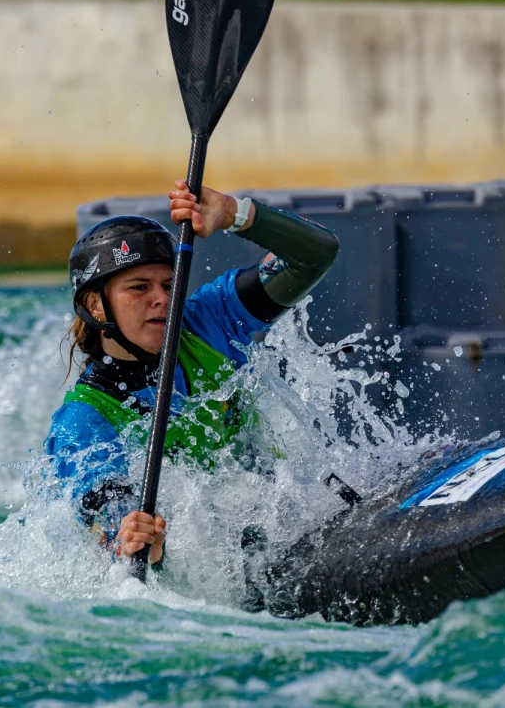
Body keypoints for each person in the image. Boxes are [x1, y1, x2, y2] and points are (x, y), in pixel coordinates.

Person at [45, 180, 339, 567]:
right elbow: (107, 530)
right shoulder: (83, 421)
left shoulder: (209, 319)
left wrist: (236, 214)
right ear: (96, 307)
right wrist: (137, 543)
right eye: (139, 287)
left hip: (288, 521)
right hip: (214, 571)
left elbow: (317, 255)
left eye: (170, 284)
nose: (162, 298)